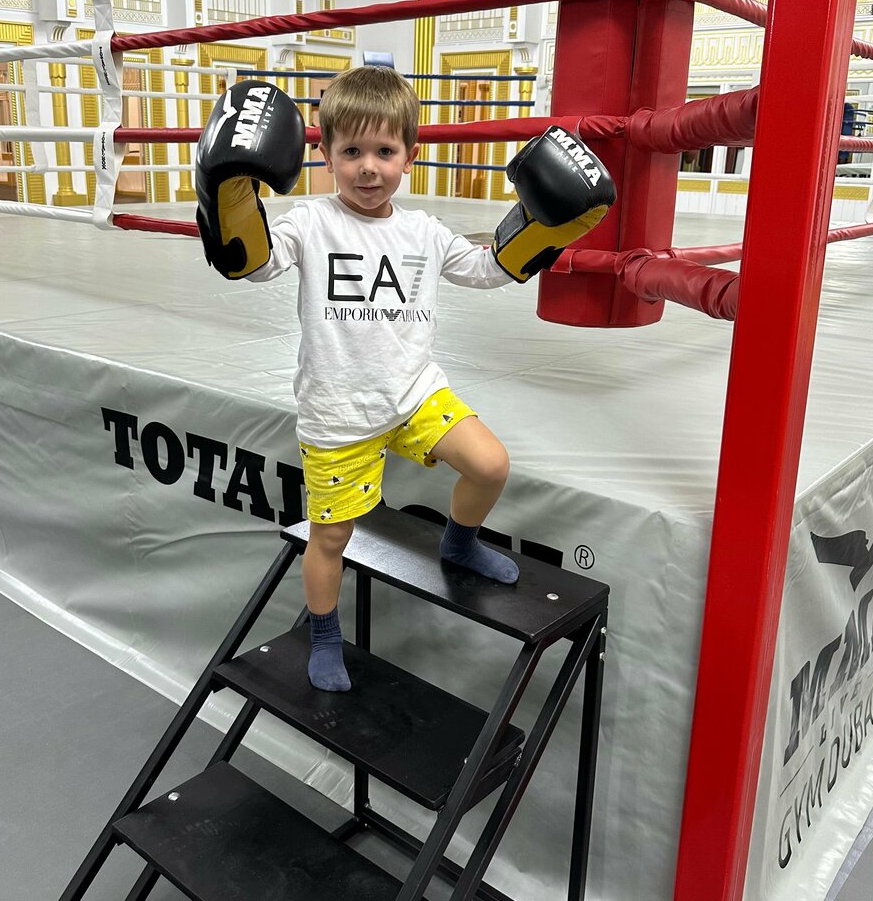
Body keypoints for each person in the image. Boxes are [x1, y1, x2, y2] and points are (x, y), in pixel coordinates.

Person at [194, 66, 615, 692]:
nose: (368, 168)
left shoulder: (423, 231)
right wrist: (230, 192)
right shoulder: (311, 223)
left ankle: (459, 543)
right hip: (339, 412)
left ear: (409, 157)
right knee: (331, 538)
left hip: (414, 394)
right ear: (325, 156)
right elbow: (251, 264)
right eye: (351, 152)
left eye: (385, 152)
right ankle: (324, 633)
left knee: (490, 465)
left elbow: (486, 269)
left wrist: (544, 229)